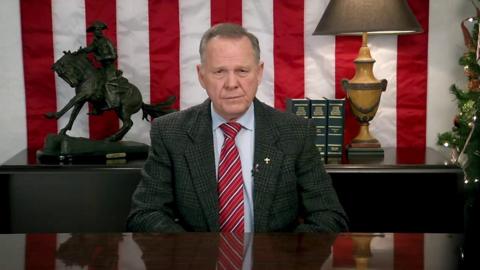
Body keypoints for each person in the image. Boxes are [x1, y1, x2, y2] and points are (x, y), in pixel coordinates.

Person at [127, 23, 348, 233]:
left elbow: (329, 216)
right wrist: (196, 253)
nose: (231, 83)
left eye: (242, 71)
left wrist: (282, 257)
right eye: (219, 71)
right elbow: (145, 213)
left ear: (259, 73)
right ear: (201, 76)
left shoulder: (296, 132)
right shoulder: (170, 132)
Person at [78, 21, 120, 110]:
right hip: (102, 67)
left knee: (108, 82)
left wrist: (101, 58)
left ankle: (113, 102)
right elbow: (89, 49)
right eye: (96, 30)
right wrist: (79, 52)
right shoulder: (96, 42)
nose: (98, 31)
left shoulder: (106, 41)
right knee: (95, 82)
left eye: (99, 30)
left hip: (109, 67)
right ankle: (98, 104)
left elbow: (114, 55)